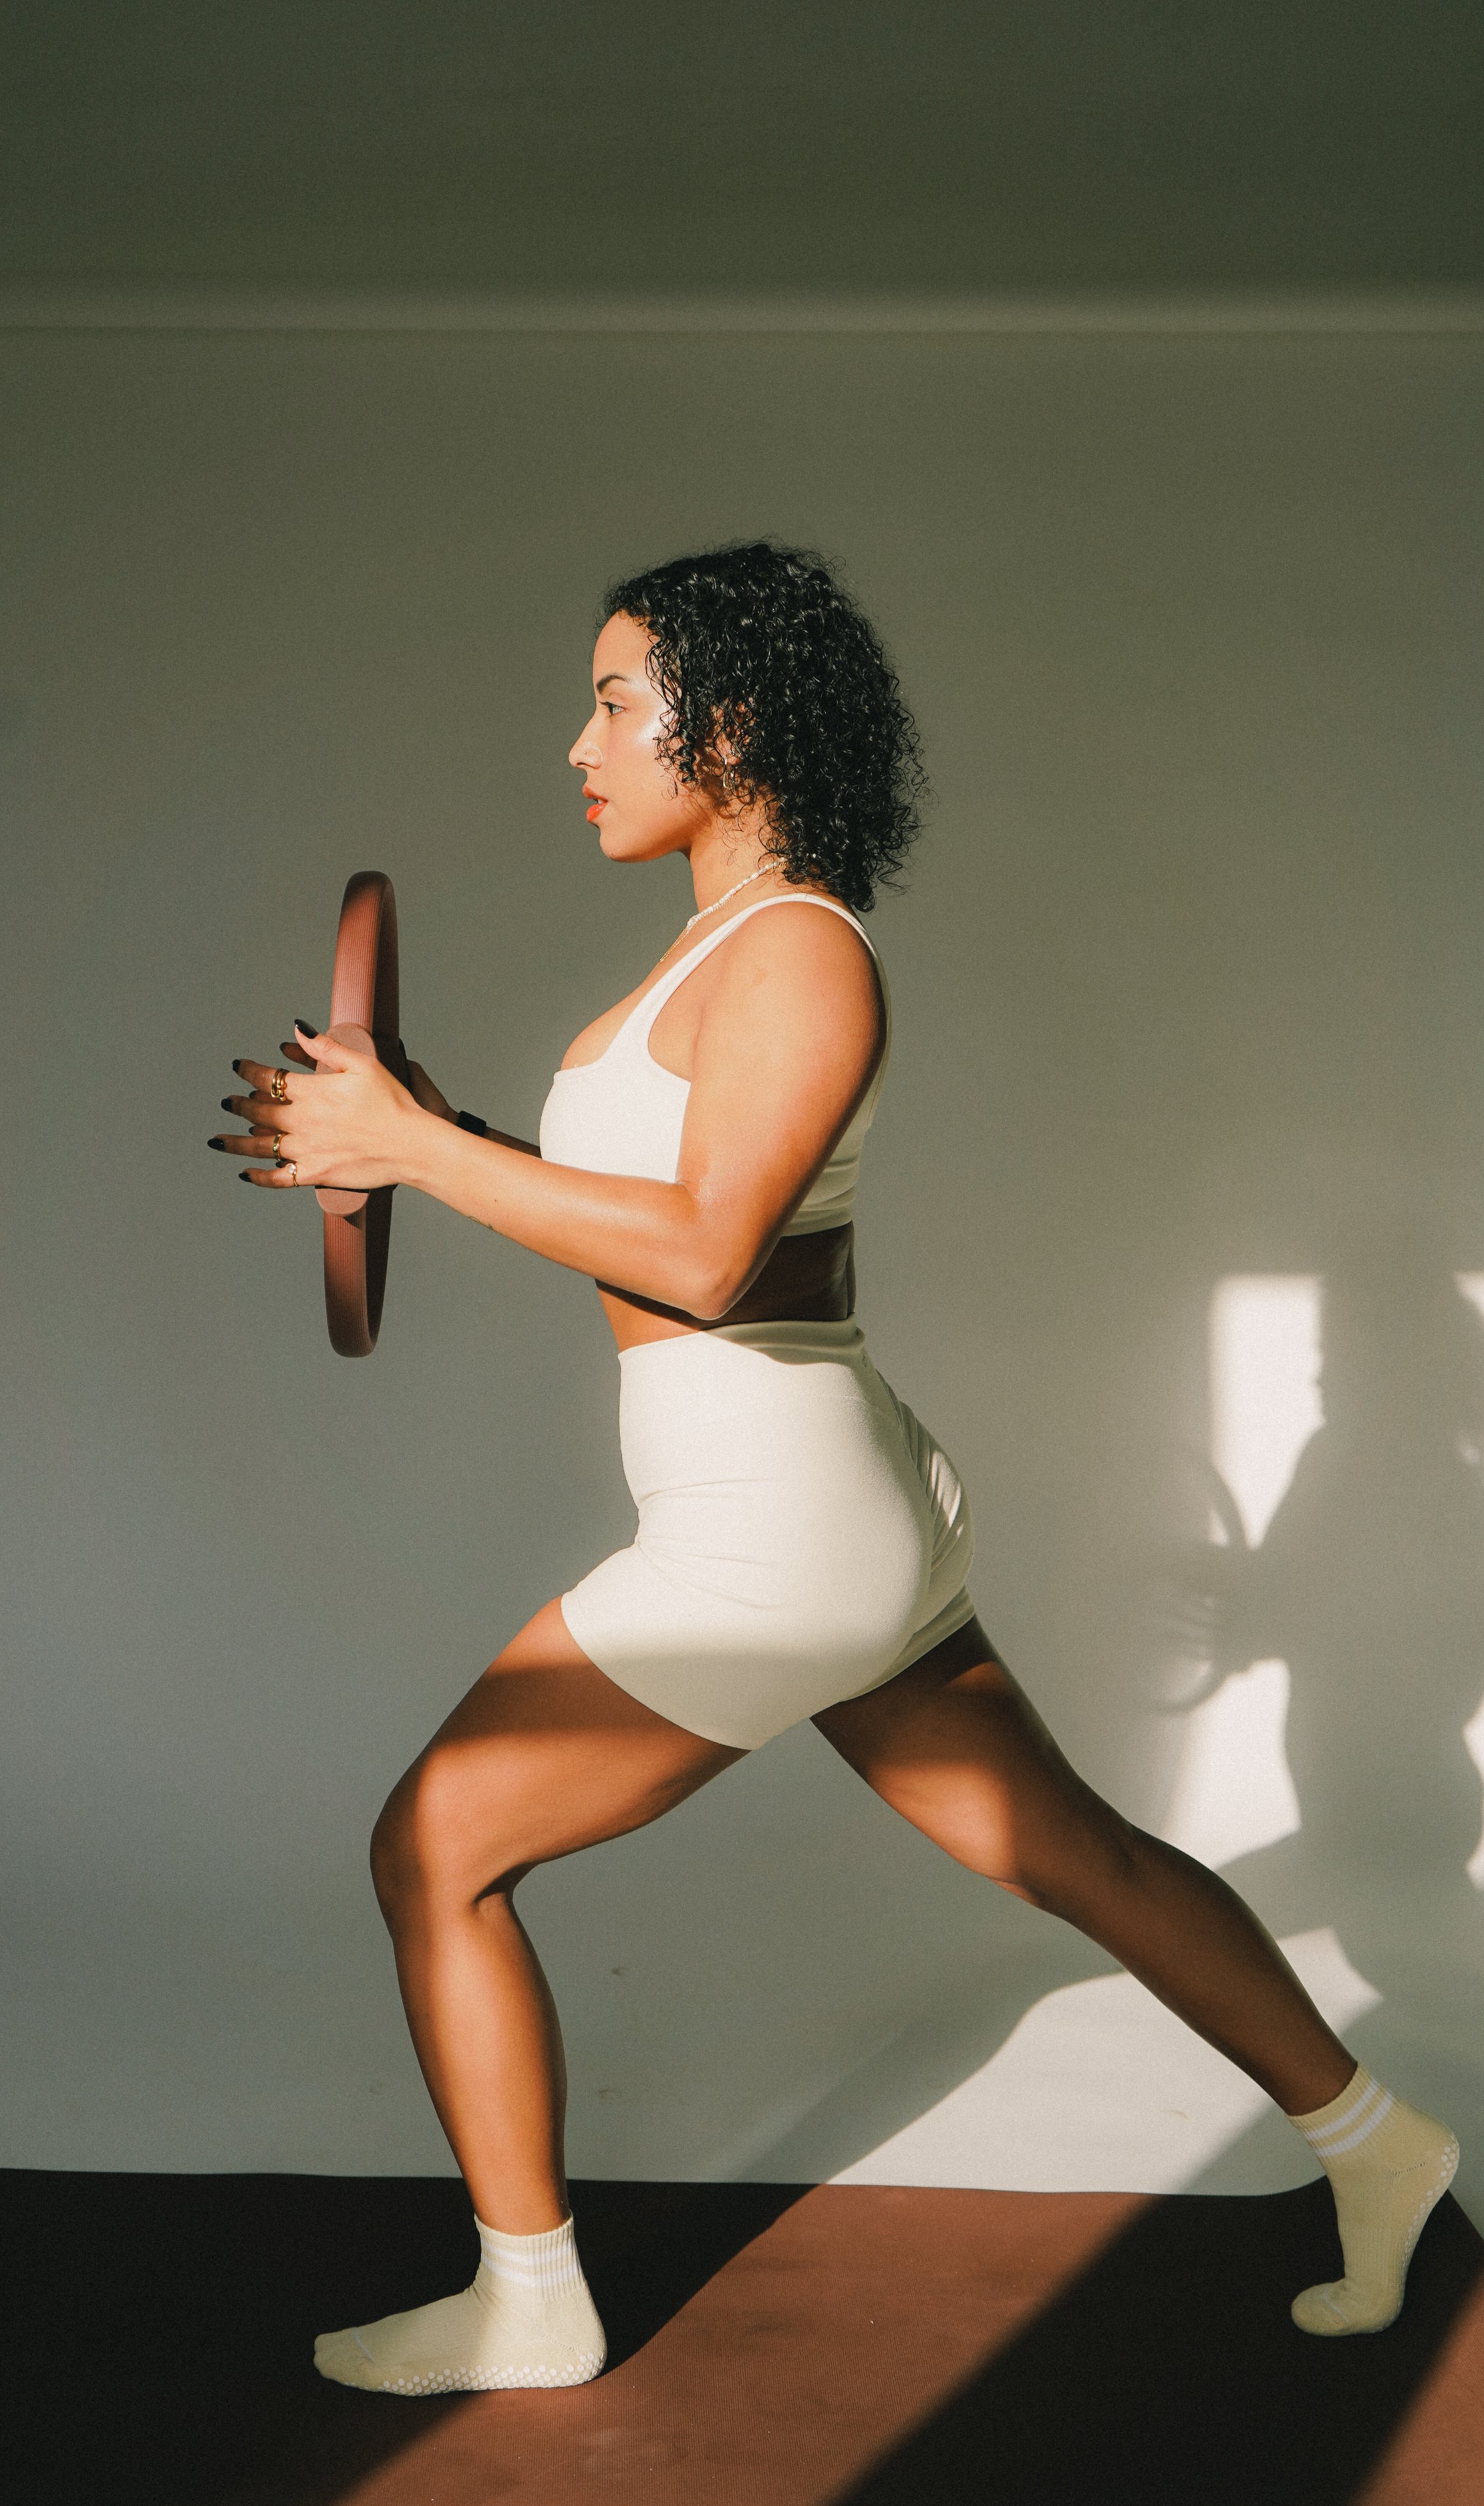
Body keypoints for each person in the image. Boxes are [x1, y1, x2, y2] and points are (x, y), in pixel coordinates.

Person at [210, 543, 1457, 2394]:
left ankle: (530, 2304)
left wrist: (418, 1149)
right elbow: (663, 1218)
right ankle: (1381, 2143)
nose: (580, 746)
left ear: (734, 723)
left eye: (616, 703)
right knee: (1077, 1858)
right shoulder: (724, 947)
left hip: (770, 1535)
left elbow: (712, 1258)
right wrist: (421, 1135)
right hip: (830, 1503)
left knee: (434, 1849)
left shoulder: (800, 950)